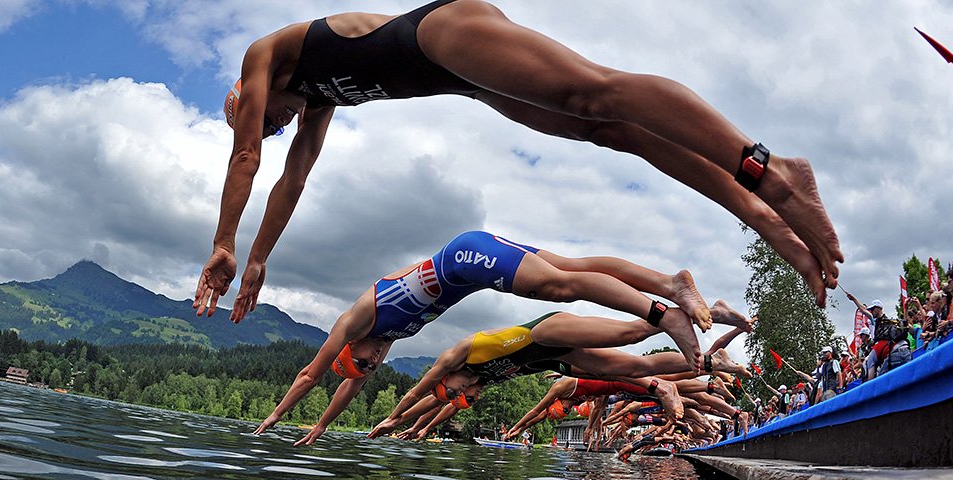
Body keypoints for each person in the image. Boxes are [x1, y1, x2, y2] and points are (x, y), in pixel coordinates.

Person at [194, 0, 845, 323]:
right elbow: (291, 179)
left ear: (241, 96)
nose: (271, 125)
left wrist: (223, 240)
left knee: (594, 90)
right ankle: (761, 214)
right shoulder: (314, 102)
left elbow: (247, 156)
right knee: (612, 131)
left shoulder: (264, 56)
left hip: (444, 33)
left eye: (260, 114)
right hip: (464, 79)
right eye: (272, 123)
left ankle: (770, 169)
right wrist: (256, 259)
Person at [250, 231, 736, 445]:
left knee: (558, 285)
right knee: (572, 268)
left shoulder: (357, 321)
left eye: (364, 361)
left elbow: (315, 373)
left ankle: (660, 311)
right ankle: (674, 290)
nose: (374, 361)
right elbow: (348, 386)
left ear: (349, 350)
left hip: (467, 258)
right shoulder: (387, 338)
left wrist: (275, 415)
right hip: (478, 270)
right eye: (371, 366)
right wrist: (319, 428)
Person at [366, 310, 755, 438]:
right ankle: (708, 362)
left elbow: (417, 393)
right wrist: (418, 429)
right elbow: (442, 409)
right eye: (461, 398)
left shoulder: (456, 356)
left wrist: (394, 417)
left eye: (453, 392)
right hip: (558, 360)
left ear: (445, 378)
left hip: (547, 333)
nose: (461, 396)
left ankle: (712, 313)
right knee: (639, 364)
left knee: (633, 332)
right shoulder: (481, 381)